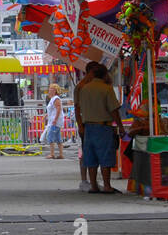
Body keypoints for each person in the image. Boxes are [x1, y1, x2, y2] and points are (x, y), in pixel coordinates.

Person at [76, 63, 126, 193]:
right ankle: (107, 185)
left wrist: (81, 126)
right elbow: (114, 110)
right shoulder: (106, 89)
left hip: (88, 128)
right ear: (104, 75)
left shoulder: (83, 89)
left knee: (91, 157)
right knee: (105, 157)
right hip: (103, 127)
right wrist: (120, 126)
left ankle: (93, 185)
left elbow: (78, 108)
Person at [72, 61, 99, 189]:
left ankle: (92, 179)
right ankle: (84, 179)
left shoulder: (94, 86)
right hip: (84, 122)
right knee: (85, 152)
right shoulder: (81, 87)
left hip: (93, 121)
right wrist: (80, 126)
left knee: (94, 151)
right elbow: (77, 109)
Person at [41, 83, 65, 159]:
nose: (49, 90)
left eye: (51, 89)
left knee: (50, 136)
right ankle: (61, 154)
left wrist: (55, 119)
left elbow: (58, 109)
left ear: (55, 90)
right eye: (50, 88)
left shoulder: (56, 98)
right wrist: (46, 115)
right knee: (58, 137)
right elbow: (53, 110)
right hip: (54, 120)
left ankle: (52, 154)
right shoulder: (53, 98)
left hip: (55, 121)